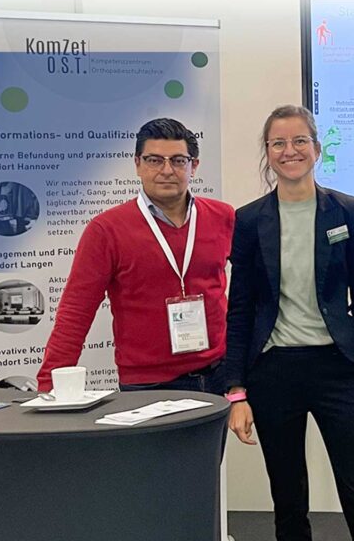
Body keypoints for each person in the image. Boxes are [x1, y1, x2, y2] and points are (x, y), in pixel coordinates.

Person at [225, 105, 354, 541]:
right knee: (288, 500)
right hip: (274, 370)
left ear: (317, 148)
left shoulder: (345, 210)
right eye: (278, 142)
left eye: (300, 140)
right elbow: (239, 309)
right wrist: (236, 391)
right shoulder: (249, 220)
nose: (290, 150)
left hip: (338, 367)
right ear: (267, 151)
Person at [37, 117, 235, 396]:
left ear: (194, 166)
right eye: (154, 160)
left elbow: (250, 295)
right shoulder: (106, 230)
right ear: (138, 164)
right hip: (148, 385)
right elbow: (76, 312)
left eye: (178, 160)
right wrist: (49, 387)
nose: (167, 170)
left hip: (218, 374)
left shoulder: (223, 217)